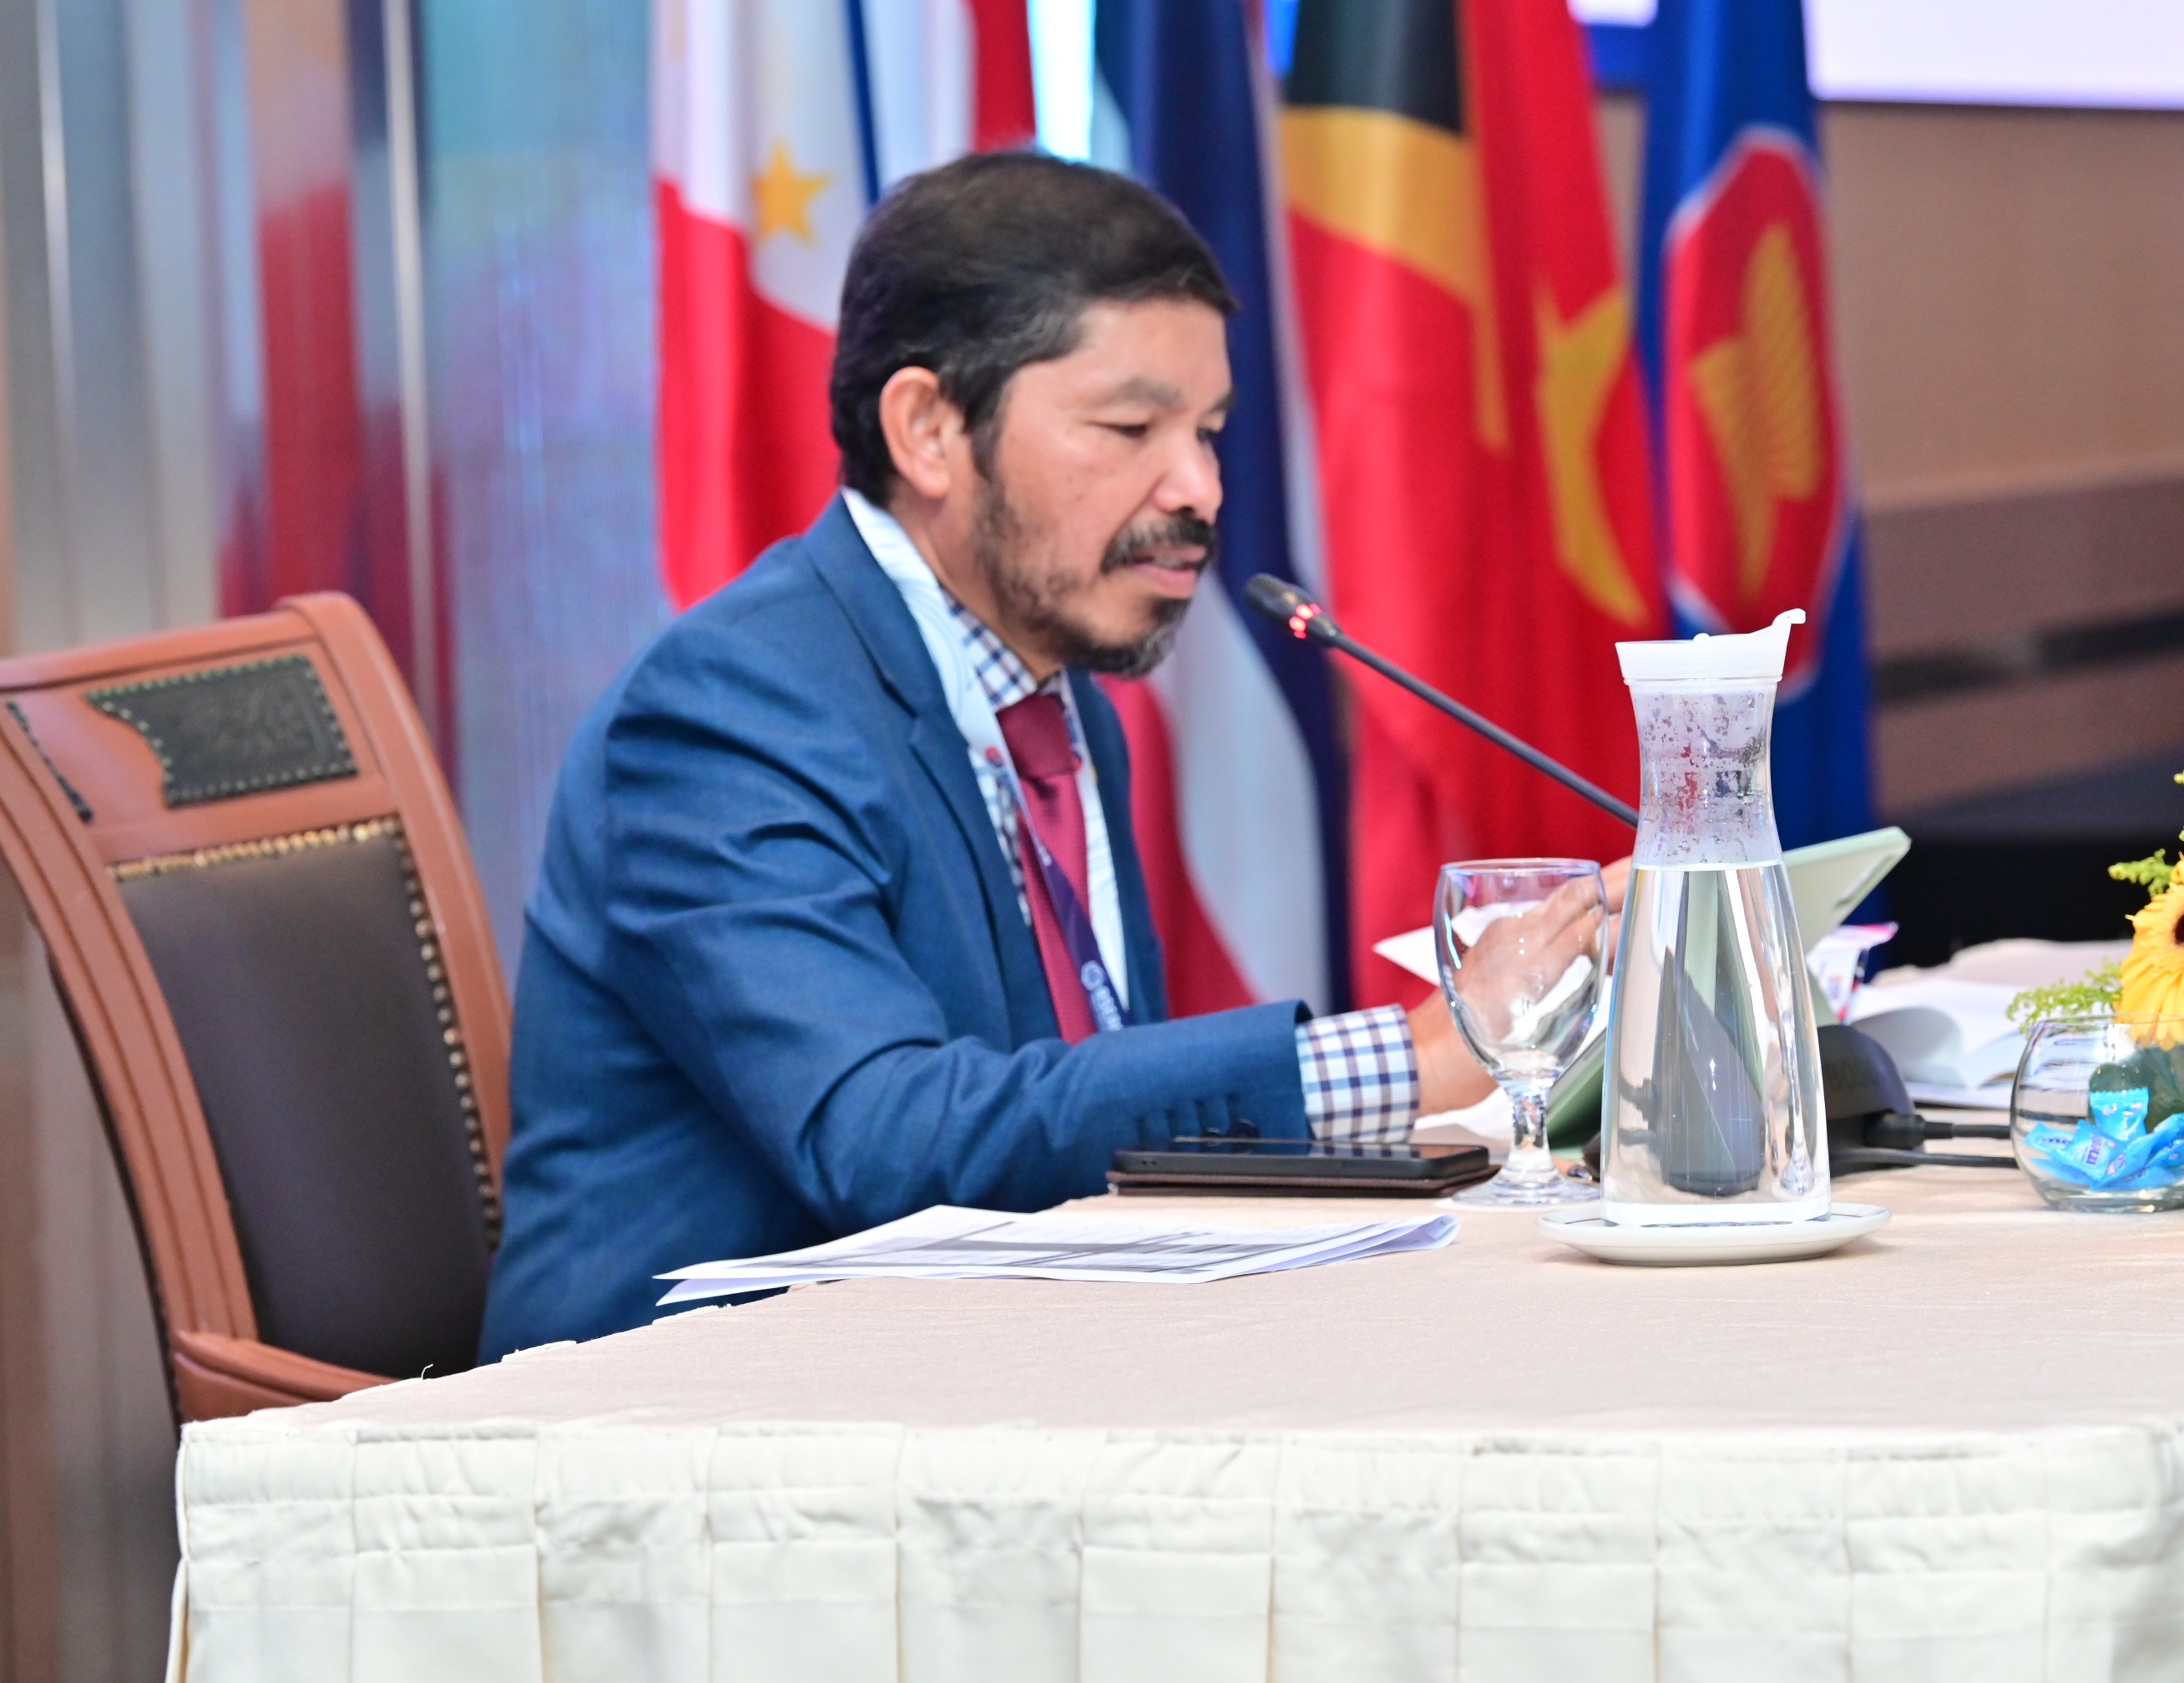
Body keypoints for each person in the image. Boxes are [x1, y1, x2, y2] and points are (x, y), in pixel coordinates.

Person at [478, 153, 1610, 1356]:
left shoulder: (1056, 699)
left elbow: (1074, 1129)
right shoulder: (729, 712)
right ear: (928, 430)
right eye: (1131, 429)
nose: (1201, 489)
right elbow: (887, 1140)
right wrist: (1412, 1057)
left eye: (1209, 431)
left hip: (993, 1357)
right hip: (678, 1399)